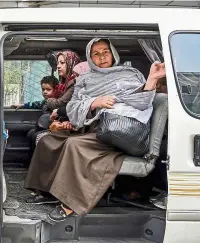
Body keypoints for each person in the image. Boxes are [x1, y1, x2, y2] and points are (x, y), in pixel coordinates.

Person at [24, 38, 166, 221]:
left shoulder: (131, 74)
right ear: (90, 58)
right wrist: (94, 102)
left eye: (105, 52)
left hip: (117, 132)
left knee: (74, 145)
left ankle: (70, 203)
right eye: (96, 54)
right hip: (91, 128)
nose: (102, 57)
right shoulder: (85, 80)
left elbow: (143, 102)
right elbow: (72, 106)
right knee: (47, 140)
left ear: (113, 53)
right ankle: (45, 192)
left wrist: (152, 79)